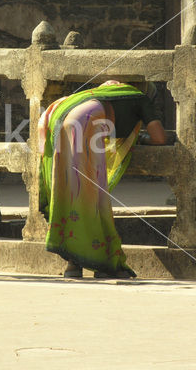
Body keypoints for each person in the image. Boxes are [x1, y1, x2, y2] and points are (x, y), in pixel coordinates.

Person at [38, 81, 166, 279]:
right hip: (86, 124)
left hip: (58, 121)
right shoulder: (141, 99)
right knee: (92, 199)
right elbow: (159, 138)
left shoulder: (102, 92)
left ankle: (73, 265)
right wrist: (142, 138)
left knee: (68, 191)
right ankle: (104, 264)